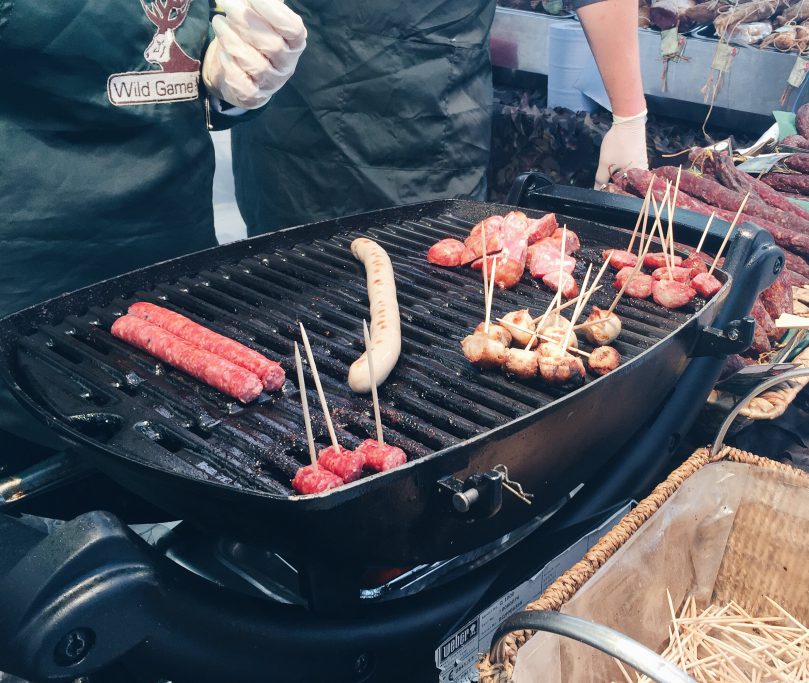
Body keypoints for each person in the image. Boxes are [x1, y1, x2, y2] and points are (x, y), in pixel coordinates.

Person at [0, 0, 306, 466]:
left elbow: (195, 47)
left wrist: (241, 79)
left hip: (175, 247)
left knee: (182, 439)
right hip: (32, 261)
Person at [231, 0, 648, 235]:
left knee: (430, 307)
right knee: (284, 317)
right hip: (291, 140)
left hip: (430, 142)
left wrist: (630, 115)